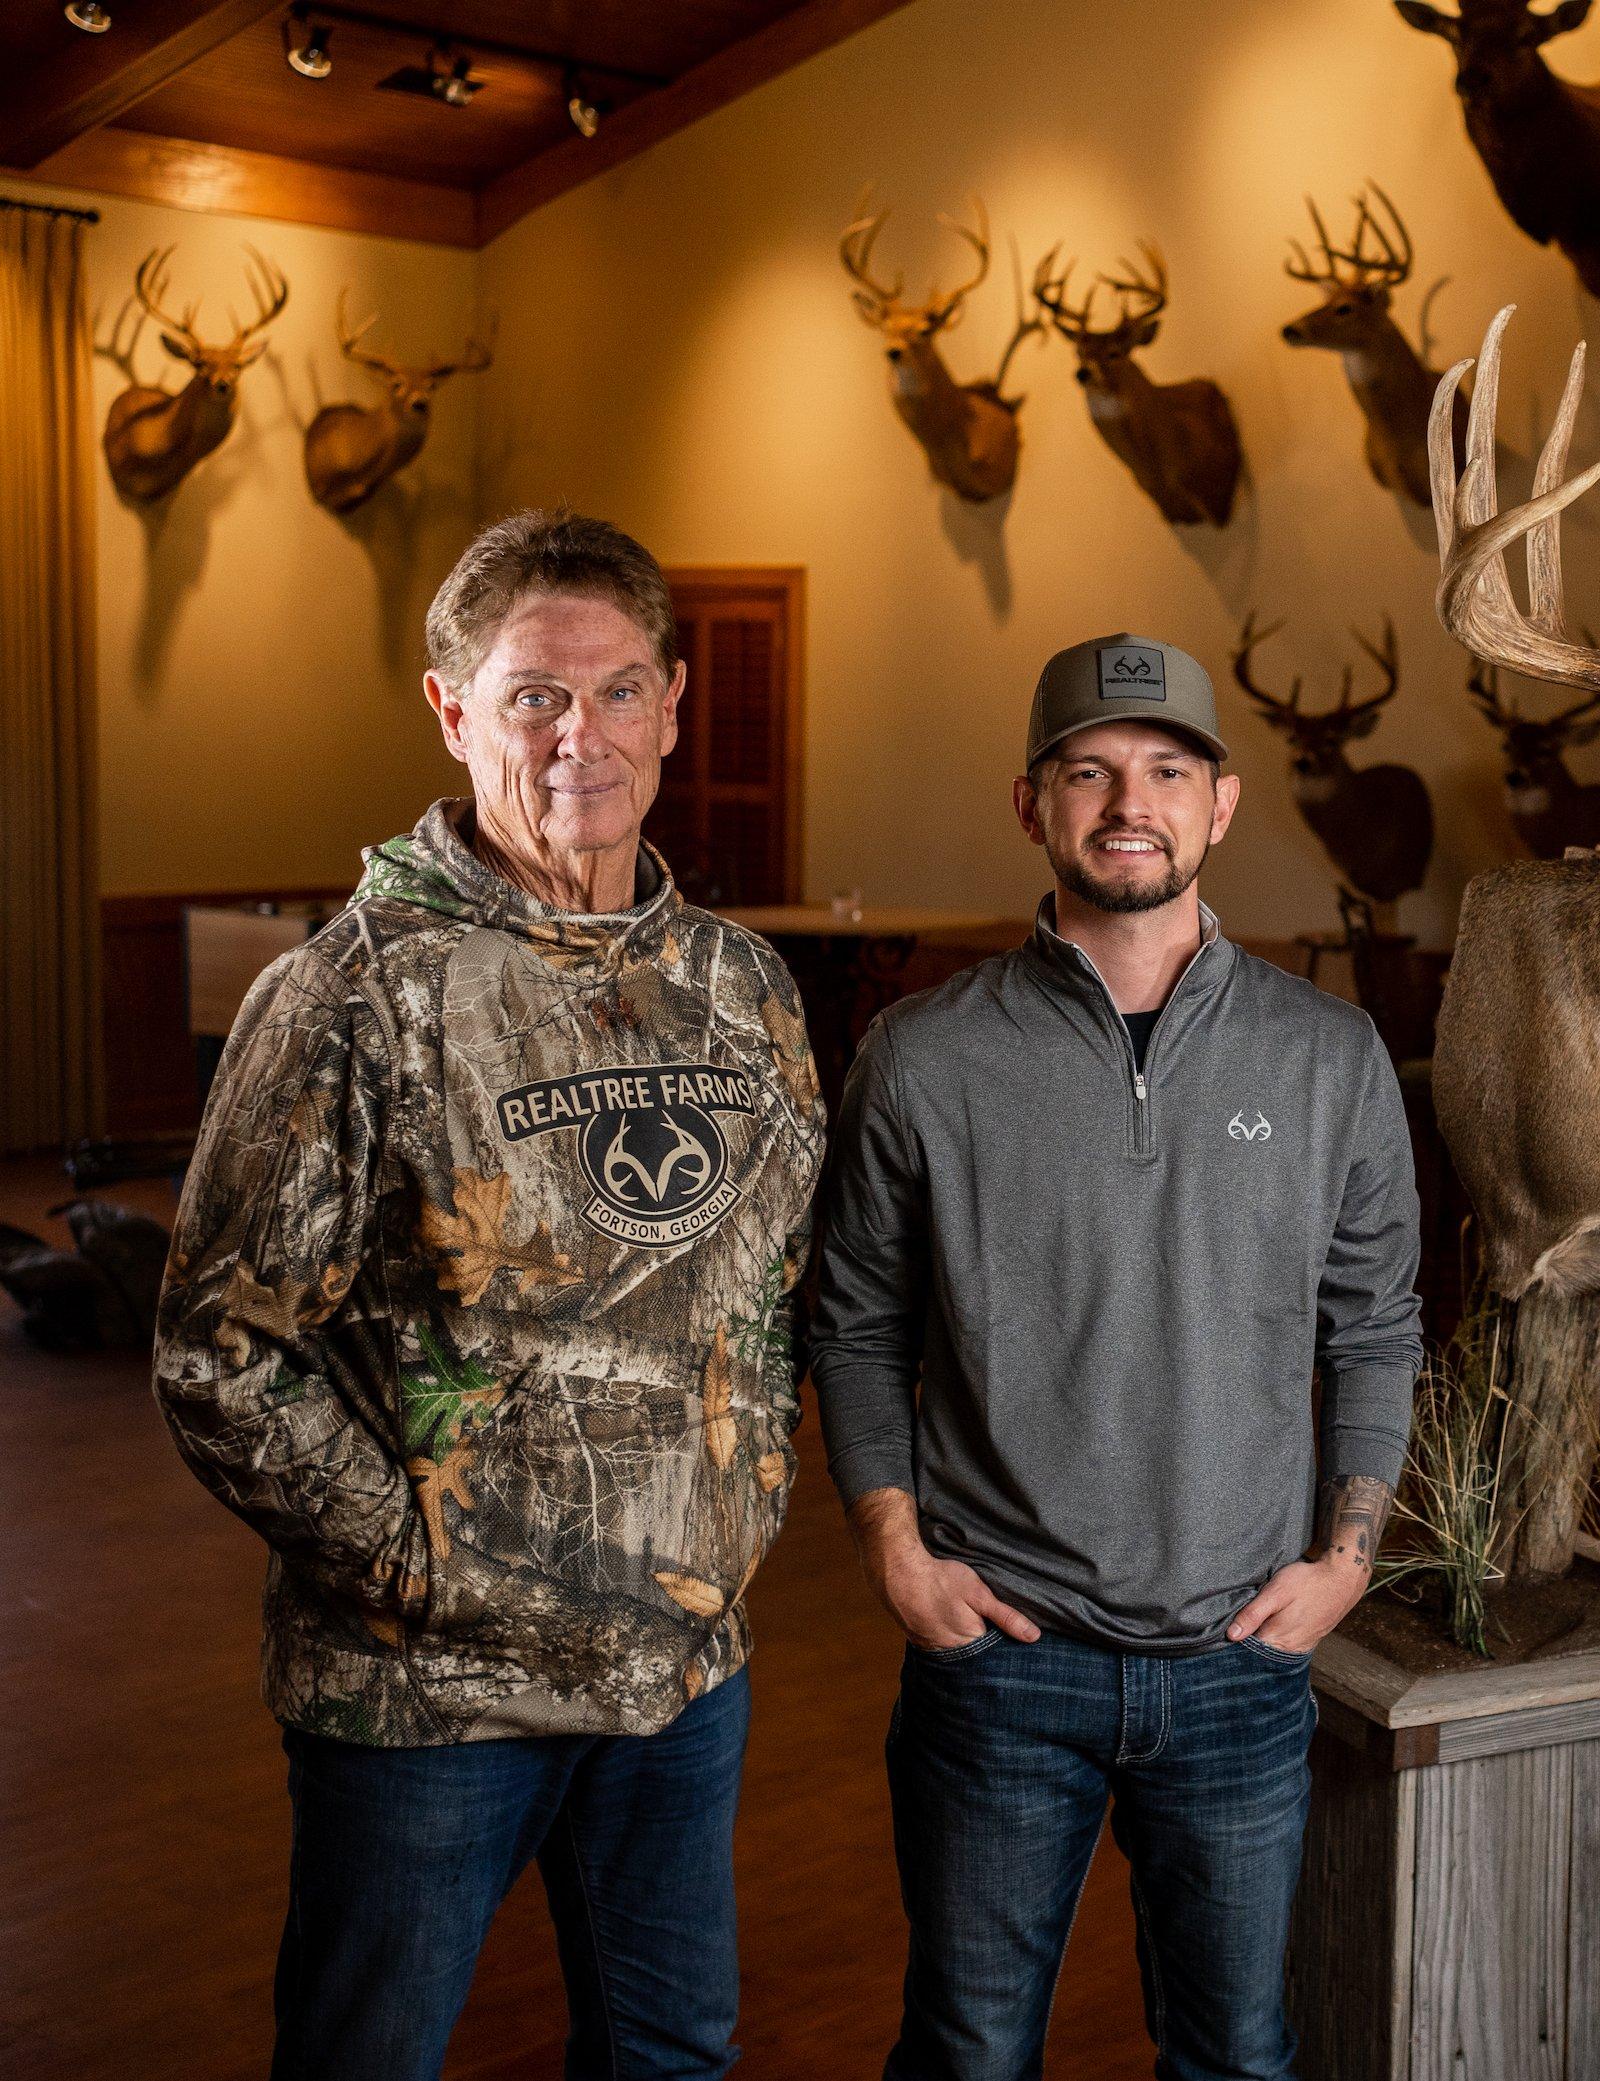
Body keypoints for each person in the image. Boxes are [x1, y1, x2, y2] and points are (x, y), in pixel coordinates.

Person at [152, 510, 826, 2081]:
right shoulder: (351, 992)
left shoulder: (743, 988)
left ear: (667, 707)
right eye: (533, 695)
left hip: (678, 1674)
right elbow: (219, 1354)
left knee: (671, 2052)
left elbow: (778, 1279)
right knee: (368, 2053)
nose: (579, 735)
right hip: (426, 1693)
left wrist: (743, 1515)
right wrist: (421, 1558)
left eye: (615, 693)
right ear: (454, 712)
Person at [810, 632, 1426, 2081]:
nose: (1125, 800)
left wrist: (1346, 1557)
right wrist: (897, 1549)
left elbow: (1379, 1323)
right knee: (967, 2053)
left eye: (1164, 769)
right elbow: (853, 1320)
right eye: (1087, 770)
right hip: (1001, 1666)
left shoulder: (1331, 1058)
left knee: (1238, 2056)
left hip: (1238, 1665)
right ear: (1033, 804)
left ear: (1221, 804)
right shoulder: (922, 1056)